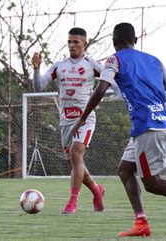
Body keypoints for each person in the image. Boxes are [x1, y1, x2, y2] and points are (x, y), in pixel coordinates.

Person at [72, 22, 166, 236]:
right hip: (153, 123)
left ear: (114, 42)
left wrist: (83, 117)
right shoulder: (155, 61)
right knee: (124, 169)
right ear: (135, 41)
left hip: (146, 125)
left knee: (152, 183)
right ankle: (141, 222)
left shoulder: (114, 59)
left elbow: (101, 89)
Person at [32, 27, 110, 214]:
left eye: (76, 42)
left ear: (85, 43)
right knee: (75, 162)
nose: (72, 45)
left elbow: (112, 79)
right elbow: (38, 86)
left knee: (76, 154)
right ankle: (96, 190)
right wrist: (36, 69)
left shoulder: (93, 65)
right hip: (66, 121)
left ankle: (72, 202)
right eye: (69, 42)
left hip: (85, 119)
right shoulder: (59, 66)